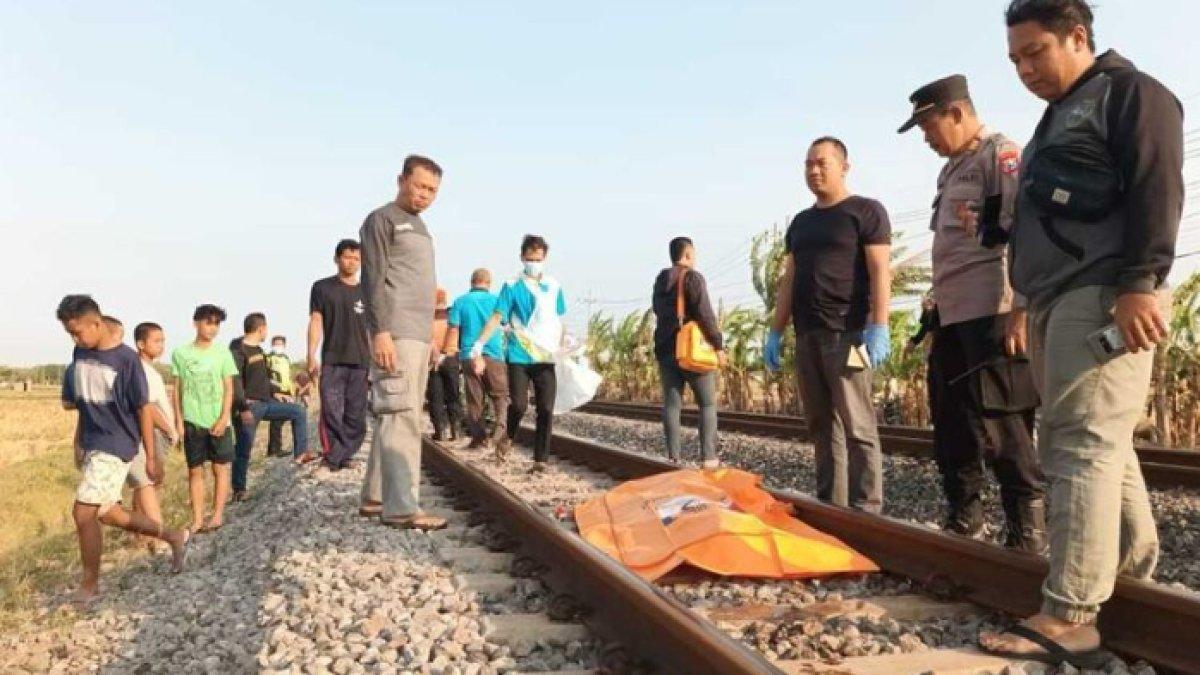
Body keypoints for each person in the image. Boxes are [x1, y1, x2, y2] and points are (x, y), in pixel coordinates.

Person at [979, 1, 1184, 667]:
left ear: (1078, 36)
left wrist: (1140, 282)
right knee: (1098, 439)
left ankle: (1070, 612)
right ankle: (1128, 572)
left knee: (1079, 445)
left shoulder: (1131, 95)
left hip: (1103, 294)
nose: (1024, 69)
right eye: (1015, 59)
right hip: (1056, 297)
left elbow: (1159, 187)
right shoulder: (1059, 113)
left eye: (1035, 52)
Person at [898, 74, 1046, 551]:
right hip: (952, 316)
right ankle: (967, 518)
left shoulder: (1000, 156)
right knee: (953, 421)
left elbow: (1021, 232)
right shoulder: (950, 171)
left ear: (957, 113)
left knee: (1005, 424)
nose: (925, 139)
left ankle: (1026, 530)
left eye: (928, 127)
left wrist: (1019, 310)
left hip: (994, 312)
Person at [764, 137, 890, 513]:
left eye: (821, 163)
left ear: (844, 166)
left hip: (850, 335)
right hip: (809, 336)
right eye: (808, 165)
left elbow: (880, 269)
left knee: (858, 424)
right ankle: (831, 505)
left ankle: (867, 508)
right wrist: (776, 330)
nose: (814, 171)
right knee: (820, 425)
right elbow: (789, 278)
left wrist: (878, 325)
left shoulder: (865, 212)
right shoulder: (801, 224)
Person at [57, 295, 189, 605]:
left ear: (96, 323)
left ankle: (90, 585)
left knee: (83, 512)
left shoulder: (127, 361)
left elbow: (144, 410)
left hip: (116, 444)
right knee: (108, 512)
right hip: (93, 442)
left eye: (78, 332)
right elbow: (83, 403)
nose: (75, 338)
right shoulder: (81, 353)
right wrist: (78, 439)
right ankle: (172, 535)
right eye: (70, 333)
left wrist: (152, 457)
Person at [359, 154, 446, 530]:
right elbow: (373, 279)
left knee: (393, 414)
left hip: (417, 334)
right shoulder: (382, 220)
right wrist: (380, 331)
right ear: (401, 180)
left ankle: (376, 497)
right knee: (402, 415)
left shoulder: (420, 226)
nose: (425, 195)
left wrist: (431, 336)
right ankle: (402, 508)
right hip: (394, 331)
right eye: (420, 186)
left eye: (433, 190)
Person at [473, 234, 569, 474]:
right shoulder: (512, 285)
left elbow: (558, 319)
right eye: (529, 258)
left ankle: (540, 460)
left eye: (537, 258)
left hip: (545, 356)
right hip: (519, 354)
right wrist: (479, 344)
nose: (533, 262)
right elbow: (497, 316)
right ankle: (508, 437)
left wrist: (564, 342)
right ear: (521, 257)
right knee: (518, 405)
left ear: (544, 257)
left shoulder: (553, 286)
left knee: (546, 408)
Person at [651, 237, 726, 467]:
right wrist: (718, 345)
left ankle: (674, 457)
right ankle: (709, 457)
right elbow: (705, 314)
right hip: (691, 351)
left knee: (672, 405)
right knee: (707, 404)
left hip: (665, 348)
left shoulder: (661, 280)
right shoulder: (693, 277)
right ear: (688, 254)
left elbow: (657, 310)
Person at [230, 313, 312, 501]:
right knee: (244, 448)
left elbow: (264, 379)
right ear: (261, 329)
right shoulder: (238, 351)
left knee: (298, 411)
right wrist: (242, 407)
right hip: (248, 407)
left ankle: (300, 454)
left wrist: (276, 393)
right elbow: (233, 381)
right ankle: (239, 490)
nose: (267, 332)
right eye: (266, 329)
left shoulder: (259, 350)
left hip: (266, 403)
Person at [171, 304, 238, 533]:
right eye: (208, 322)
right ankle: (198, 518)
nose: (212, 328)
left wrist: (223, 418)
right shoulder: (181, 353)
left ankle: (217, 514)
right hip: (193, 421)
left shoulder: (223, 353)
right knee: (195, 471)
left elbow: (229, 388)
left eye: (216, 324)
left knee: (220, 468)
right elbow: (177, 390)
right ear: (196, 323)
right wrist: (179, 422)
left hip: (218, 421)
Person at [308, 239, 372, 471]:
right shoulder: (322, 288)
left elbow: (372, 329)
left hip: (360, 361)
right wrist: (311, 354)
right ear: (337, 259)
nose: (352, 262)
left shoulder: (367, 290)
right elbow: (316, 320)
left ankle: (343, 455)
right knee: (332, 410)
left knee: (356, 415)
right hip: (333, 359)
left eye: (356, 259)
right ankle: (333, 456)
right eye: (347, 257)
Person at [447, 268, 511, 458]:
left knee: (474, 398)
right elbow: (505, 323)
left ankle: (479, 438)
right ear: (489, 283)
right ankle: (500, 435)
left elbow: (453, 329)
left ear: (472, 281)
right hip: (494, 355)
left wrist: (450, 351)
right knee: (500, 397)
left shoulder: (460, 302)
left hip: (469, 355)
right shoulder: (496, 301)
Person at [132, 322, 179, 553]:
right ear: (141, 344)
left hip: (159, 432)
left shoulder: (150, 370)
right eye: (156, 341)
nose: (161, 346)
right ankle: (151, 535)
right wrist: (169, 430)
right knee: (149, 481)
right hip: (154, 432)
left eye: (163, 341)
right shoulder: (141, 370)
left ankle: (140, 533)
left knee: (146, 482)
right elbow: (148, 407)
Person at [426, 288, 465, 441]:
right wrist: (447, 354)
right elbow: (455, 337)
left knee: (435, 396)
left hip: (432, 361)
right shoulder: (451, 316)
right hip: (451, 358)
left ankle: (440, 431)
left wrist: (436, 355)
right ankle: (456, 431)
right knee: (453, 395)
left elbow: (427, 338)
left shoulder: (426, 318)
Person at [265, 335, 297, 457]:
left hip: (286, 392)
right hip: (275, 391)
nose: (278, 346)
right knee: (277, 420)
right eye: (276, 344)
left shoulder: (286, 358)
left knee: (283, 418)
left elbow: (287, 377)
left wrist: (291, 391)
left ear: (284, 345)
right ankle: (275, 450)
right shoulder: (269, 358)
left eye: (280, 344)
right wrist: (273, 392)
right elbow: (266, 376)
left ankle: (274, 448)